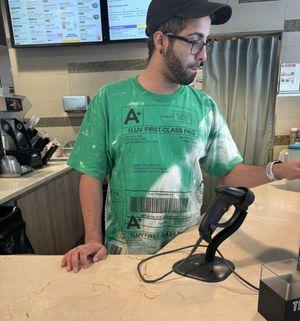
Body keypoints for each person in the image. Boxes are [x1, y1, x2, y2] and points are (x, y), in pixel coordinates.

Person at [62, 0, 300, 272]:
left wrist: (280, 170)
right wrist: (92, 239)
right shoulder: (110, 99)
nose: (203, 56)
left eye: (206, 43)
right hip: (124, 253)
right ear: (161, 41)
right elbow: (91, 175)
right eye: (195, 41)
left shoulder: (203, 107)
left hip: (185, 250)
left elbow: (230, 172)